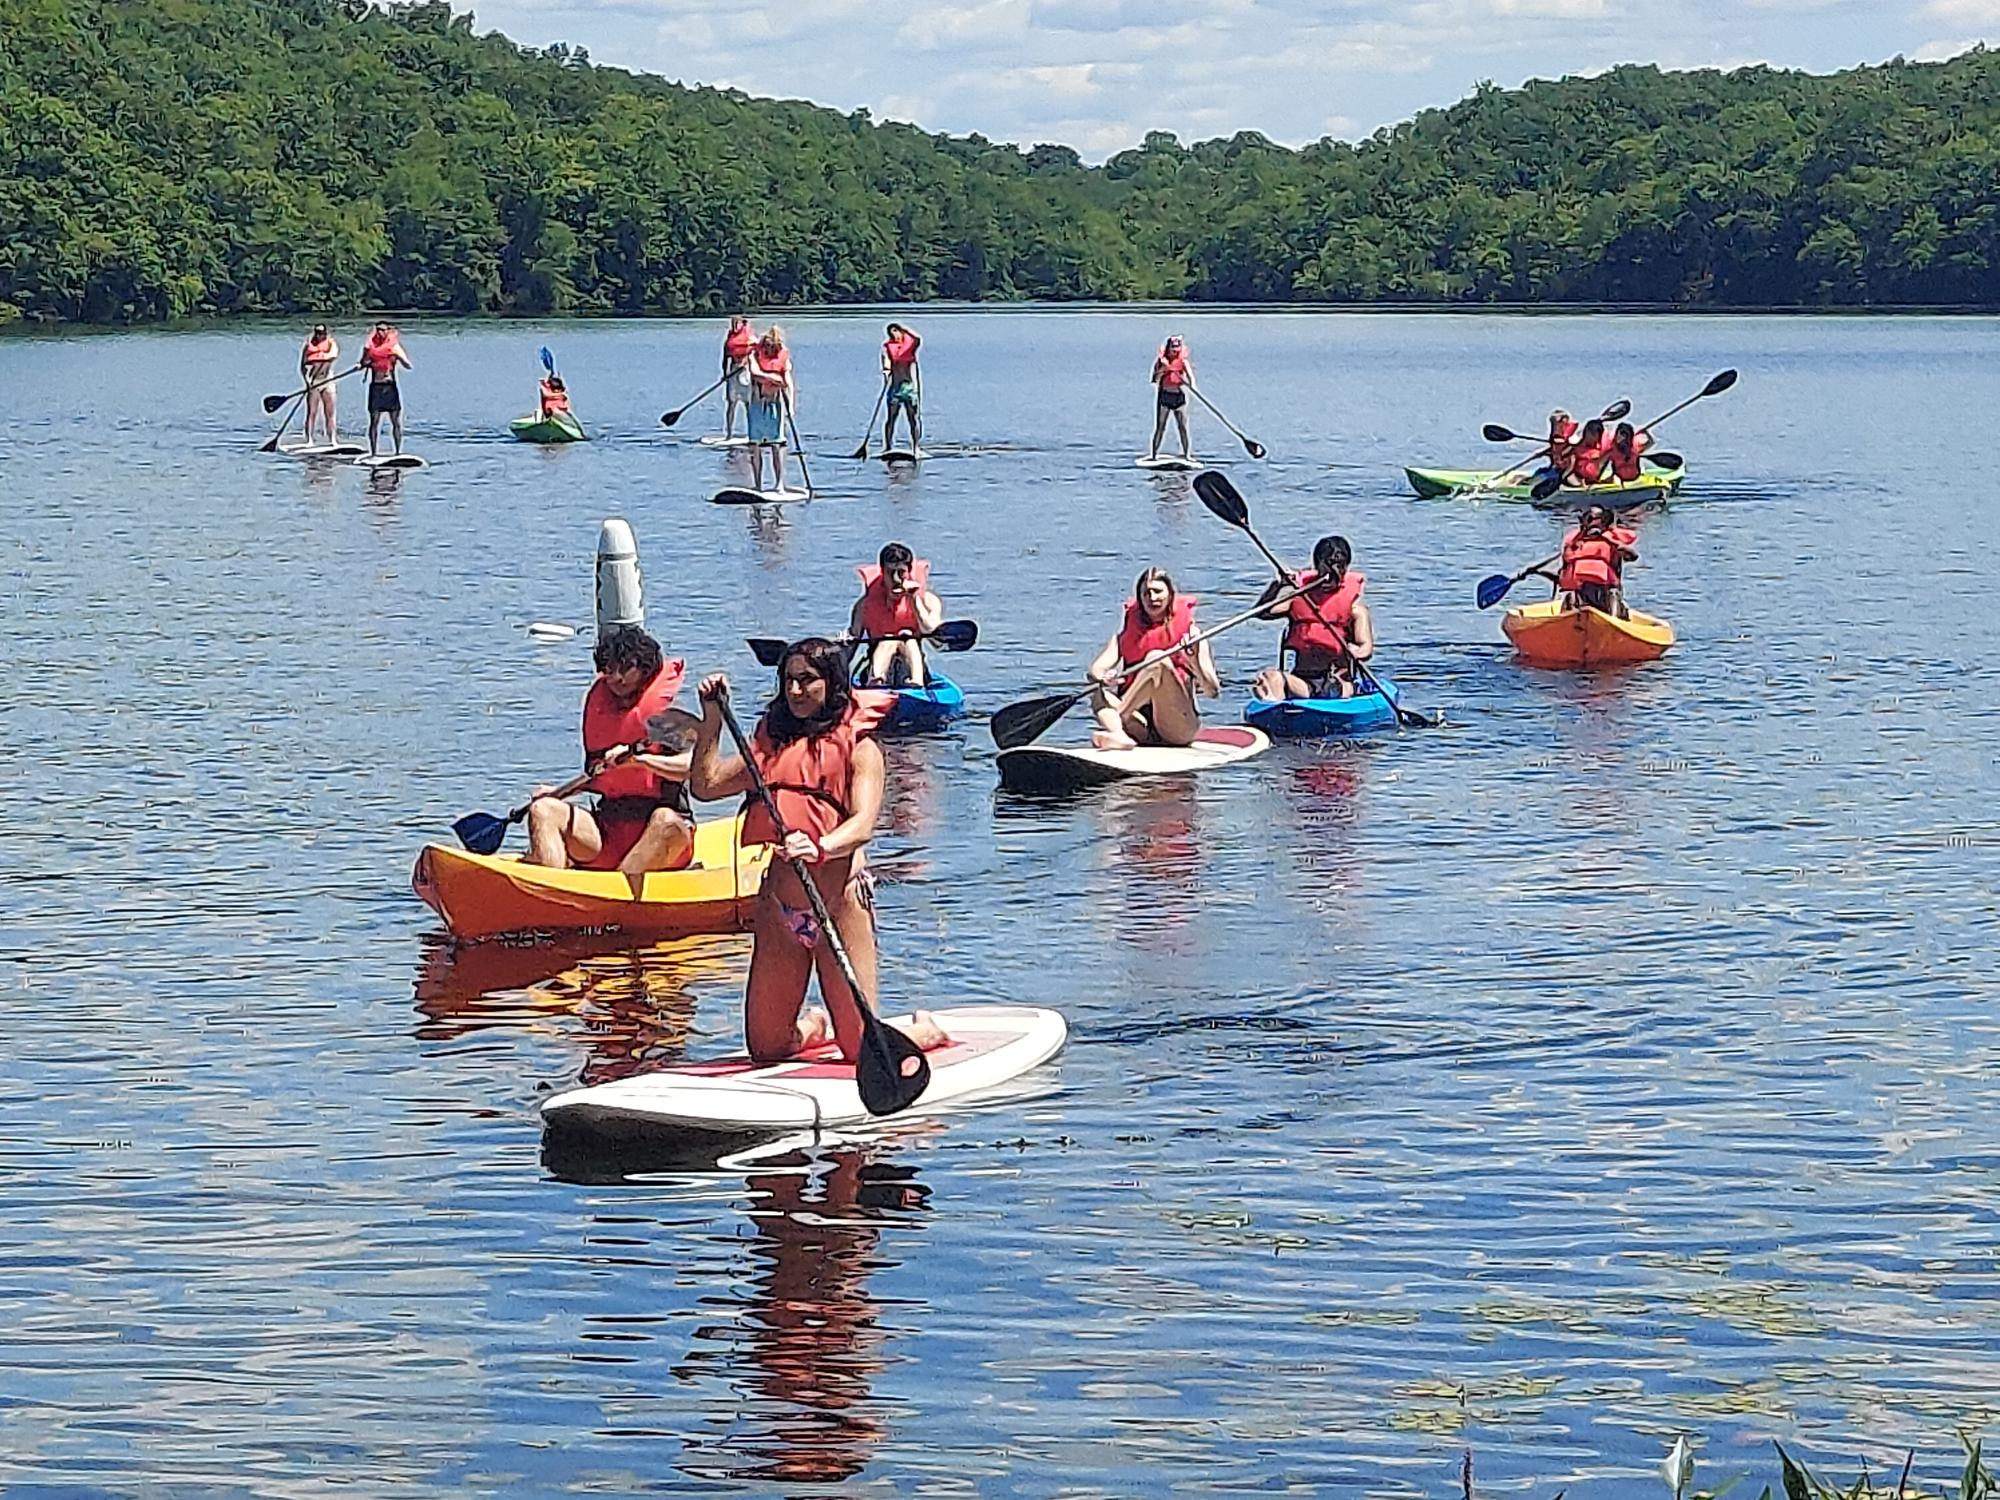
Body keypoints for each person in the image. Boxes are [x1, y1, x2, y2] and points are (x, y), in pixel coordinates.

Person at [688, 641, 948, 1064]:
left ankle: (922, 1030)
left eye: (806, 681)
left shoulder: (861, 749)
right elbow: (705, 785)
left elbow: (863, 824)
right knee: (767, 1049)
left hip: (838, 901)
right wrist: (712, 719)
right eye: (788, 680)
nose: (794, 690)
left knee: (859, 1050)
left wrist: (820, 846)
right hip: (781, 907)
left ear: (832, 683)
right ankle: (813, 1025)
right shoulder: (771, 747)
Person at [524, 625, 695, 876]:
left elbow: (691, 768)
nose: (616, 678)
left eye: (625, 668)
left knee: (664, 819)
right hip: (610, 830)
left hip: (663, 836)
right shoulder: (600, 705)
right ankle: (551, 892)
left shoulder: (668, 715)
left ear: (645, 667)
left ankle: (617, 895)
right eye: (609, 670)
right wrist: (559, 793)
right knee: (543, 809)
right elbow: (598, 776)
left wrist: (640, 760)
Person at [1087, 567, 1220, 750]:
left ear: (1170, 594)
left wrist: (1195, 662)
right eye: (1146, 593)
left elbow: (1213, 692)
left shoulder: (1193, 635)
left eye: (1157, 591)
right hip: (1138, 724)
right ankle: (1119, 735)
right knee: (1094, 687)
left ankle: (1118, 721)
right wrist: (1102, 677)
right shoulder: (1126, 634)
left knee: (1157, 659)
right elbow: (1095, 669)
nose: (1152, 597)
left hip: (1177, 727)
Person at [1250, 535, 1375, 702]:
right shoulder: (1299, 598)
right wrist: (1278, 585)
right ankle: (1277, 714)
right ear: (1317, 566)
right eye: (1327, 569)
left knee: (1335, 686)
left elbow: (1366, 647)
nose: (1333, 575)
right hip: (1303, 681)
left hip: (1335, 682)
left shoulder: (1356, 610)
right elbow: (1262, 612)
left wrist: (1356, 652)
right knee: (1269, 678)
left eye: (1340, 569)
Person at [848, 543, 942, 687]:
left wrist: (913, 600)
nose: (895, 580)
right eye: (890, 572)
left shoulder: (928, 601)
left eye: (901, 572)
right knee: (889, 639)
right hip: (876, 663)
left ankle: (916, 683)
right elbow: (852, 645)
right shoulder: (864, 605)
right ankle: (876, 681)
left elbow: (934, 637)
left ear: (909, 572)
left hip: (912, 665)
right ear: (882, 572)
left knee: (908, 638)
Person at [1557, 504, 1639, 618]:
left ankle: (1613, 622)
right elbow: (1564, 567)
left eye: (1595, 519)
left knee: (1613, 594)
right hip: (1580, 590)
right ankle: (1568, 623)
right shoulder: (1574, 541)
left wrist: (1613, 543)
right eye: (1588, 519)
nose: (1591, 523)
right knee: (1570, 596)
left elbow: (1633, 556)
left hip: (1606, 590)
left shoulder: (1612, 539)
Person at [747, 326, 795, 493]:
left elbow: (788, 383)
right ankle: (758, 484)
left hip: (775, 403)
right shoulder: (754, 354)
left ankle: (779, 484)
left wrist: (790, 406)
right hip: (757, 402)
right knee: (755, 445)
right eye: (767, 346)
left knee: (776, 445)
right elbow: (754, 373)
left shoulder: (784, 356)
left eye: (773, 347)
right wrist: (774, 377)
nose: (769, 349)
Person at [358, 322, 411, 457]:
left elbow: (408, 365)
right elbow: (363, 362)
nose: (380, 332)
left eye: (383, 330)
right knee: (374, 421)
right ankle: (374, 452)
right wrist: (366, 360)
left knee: (396, 421)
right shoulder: (371, 346)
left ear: (388, 331)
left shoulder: (394, 346)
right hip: (376, 386)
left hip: (390, 387)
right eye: (378, 330)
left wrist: (397, 356)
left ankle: (398, 452)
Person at [1148, 335, 1193, 460]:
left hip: (1179, 397)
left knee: (1183, 427)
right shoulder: (1161, 362)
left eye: (1177, 348)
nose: (1175, 350)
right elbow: (1154, 379)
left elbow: (1190, 378)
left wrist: (1189, 384)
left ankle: (1187, 455)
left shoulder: (1183, 362)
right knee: (1160, 427)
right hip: (1165, 397)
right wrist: (1163, 369)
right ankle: (1154, 455)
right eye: (1173, 348)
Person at [881, 323, 922, 451]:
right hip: (895, 388)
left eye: (896, 331)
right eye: (891, 333)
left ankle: (915, 447)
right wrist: (886, 372)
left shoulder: (909, 346)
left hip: (909, 388)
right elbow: (886, 361)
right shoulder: (887, 348)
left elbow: (917, 339)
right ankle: (887, 447)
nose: (894, 335)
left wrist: (905, 329)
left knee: (912, 418)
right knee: (891, 418)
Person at [300, 324, 339, 446]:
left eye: (322, 333)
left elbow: (332, 355)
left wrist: (321, 356)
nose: (319, 335)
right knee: (312, 412)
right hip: (313, 381)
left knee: (330, 412)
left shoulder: (331, 344)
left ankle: (332, 439)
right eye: (317, 332)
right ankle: (309, 440)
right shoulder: (308, 346)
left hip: (327, 380)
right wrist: (307, 381)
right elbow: (303, 365)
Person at [722, 315, 756, 439]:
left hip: (746, 372)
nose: (735, 326)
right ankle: (729, 434)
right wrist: (725, 374)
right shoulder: (729, 339)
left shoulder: (750, 338)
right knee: (731, 403)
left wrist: (746, 363)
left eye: (737, 323)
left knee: (748, 404)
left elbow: (755, 353)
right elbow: (725, 358)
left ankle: (752, 432)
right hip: (733, 372)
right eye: (733, 323)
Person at [1564, 417, 1610, 487]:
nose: (1592, 438)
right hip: (1576, 476)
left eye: (1594, 436)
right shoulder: (1577, 444)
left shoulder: (1601, 447)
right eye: (1590, 434)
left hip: (1592, 476)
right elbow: (1565, 454)